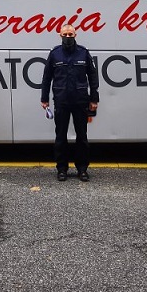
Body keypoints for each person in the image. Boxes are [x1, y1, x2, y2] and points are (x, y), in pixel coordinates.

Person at [40, 25, 99, 182]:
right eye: (65, 34)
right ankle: (62, 169)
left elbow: (93, 77)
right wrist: (44, 98)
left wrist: (94, 99)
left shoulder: (83, 53)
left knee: (82, 137)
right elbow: (46, 78)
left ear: (75, 34)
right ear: (60, 35)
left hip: (80, 101)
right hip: (61, 101)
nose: (68, 36)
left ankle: (82, 169)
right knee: (60, 137)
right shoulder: (54, 54)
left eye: (70, 34)